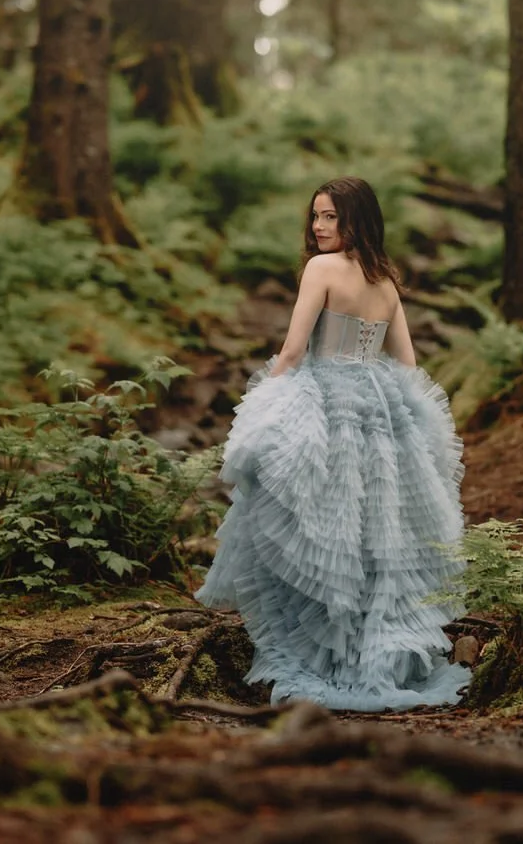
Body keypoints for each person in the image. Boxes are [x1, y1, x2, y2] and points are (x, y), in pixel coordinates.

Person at [194, 176, 471, 711]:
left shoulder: (320, 270)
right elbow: (408, 365)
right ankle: (373, 651)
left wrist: (264, 409)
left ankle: (325, 656)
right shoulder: (386, 283)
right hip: (382, 407)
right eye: (316, 216)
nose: (319, 227)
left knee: (323, 528)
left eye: (331, 218)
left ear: (356, 221)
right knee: (376, 531)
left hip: (326, 404)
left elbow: (294, 351)